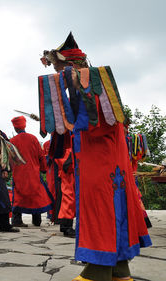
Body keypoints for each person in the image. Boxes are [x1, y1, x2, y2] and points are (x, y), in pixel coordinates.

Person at [40, 32, 152, 281]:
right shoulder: (92, 86)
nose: (57, 76)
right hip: (106, 163)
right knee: (114, 209)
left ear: (71, 67)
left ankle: (97, 272)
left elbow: (93, 125)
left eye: (59, 69)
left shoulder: (92, 84)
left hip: (102, 164)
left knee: (102, 210)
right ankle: (120, 271)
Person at [9, 116, 53, 227]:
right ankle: (37, 220)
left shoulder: (12, 141)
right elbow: (41, 156)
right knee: (35, 195)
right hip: (33, 173)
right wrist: (43, 169)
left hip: (18, 174)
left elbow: (9, 159)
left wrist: (7, 170)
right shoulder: (33, 139)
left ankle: (16, 220)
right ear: (24, 125)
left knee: (18, 196)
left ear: (15, 128)